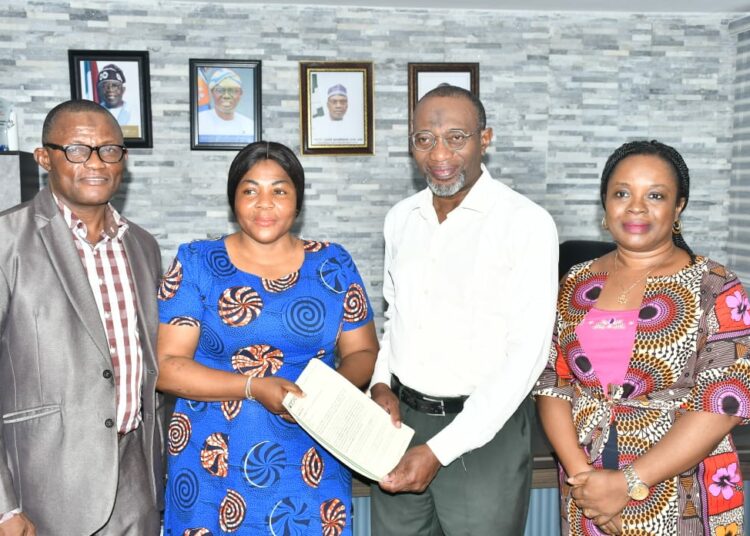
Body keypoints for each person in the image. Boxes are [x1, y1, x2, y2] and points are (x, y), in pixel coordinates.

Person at [156, 141, 378, 535]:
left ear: (297, 200)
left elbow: (362, 351)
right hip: (213, 458)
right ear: (233, 199)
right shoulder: (196, 262)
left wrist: (318, 397)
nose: (264, 203)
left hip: (312, 454)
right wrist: (253, 387)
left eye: (279, 190)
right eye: (250, 190)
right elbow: (168, 368)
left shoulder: (333, 263)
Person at [534, 140, 750, 535]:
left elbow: (725, 402)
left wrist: (627, 483)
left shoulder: (717, 286)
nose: (635, 207)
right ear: (604, 204)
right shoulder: (577, 282)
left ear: (678, 206)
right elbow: (553, 382)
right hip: (586, 484)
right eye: (621, 193)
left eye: (655, 195)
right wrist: (587, 484)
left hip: (683, 485)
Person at [369, 85, 559, 535]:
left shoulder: (525, 223)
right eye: (424, 138)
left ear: (484, 138)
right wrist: (380, 384)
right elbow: (395, 318)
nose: (439, 153)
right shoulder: (401, 218)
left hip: (485, 430)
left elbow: (527, 356)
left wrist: (438, 451)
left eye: (457, 137)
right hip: (403, 424)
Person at [0, 99, 163, 535]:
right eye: (76, 149)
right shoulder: (6, 241)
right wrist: (3, 507)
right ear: (44, 157)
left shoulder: (143, 247)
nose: (95, 162)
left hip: (135, 476)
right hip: (42, 488)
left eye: (109, 150)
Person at [197, 68, 255, 144]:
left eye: (233, 90)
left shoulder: (250, 126)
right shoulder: (199, 122)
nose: (226, 96)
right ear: (211, 93)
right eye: (220, 90)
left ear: (240, 94)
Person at [96, 63, 141, 137]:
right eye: (105, 86)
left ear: (123, 90)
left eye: (115, 85)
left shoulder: (135, 112)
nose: (110, 89)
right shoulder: (95, 112)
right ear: (99, 90)